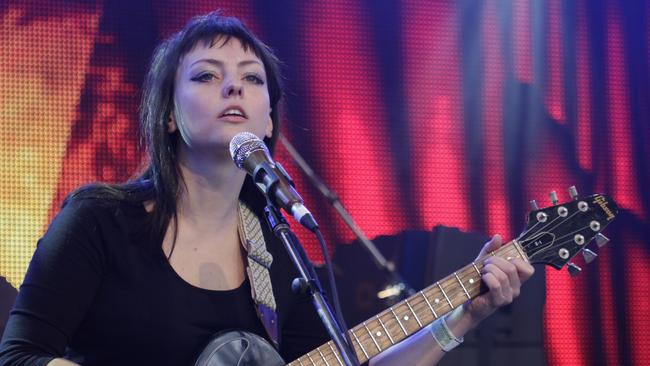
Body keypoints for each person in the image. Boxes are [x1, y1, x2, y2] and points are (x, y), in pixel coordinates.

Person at [0, 11, 534, 366]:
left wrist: (465, 313)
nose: (233, 85)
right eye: (207, 76)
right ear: (167, 116)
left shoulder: (277, 251)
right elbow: (19, 357)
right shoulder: (99, 221)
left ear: (270, 122)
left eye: (252, 79)